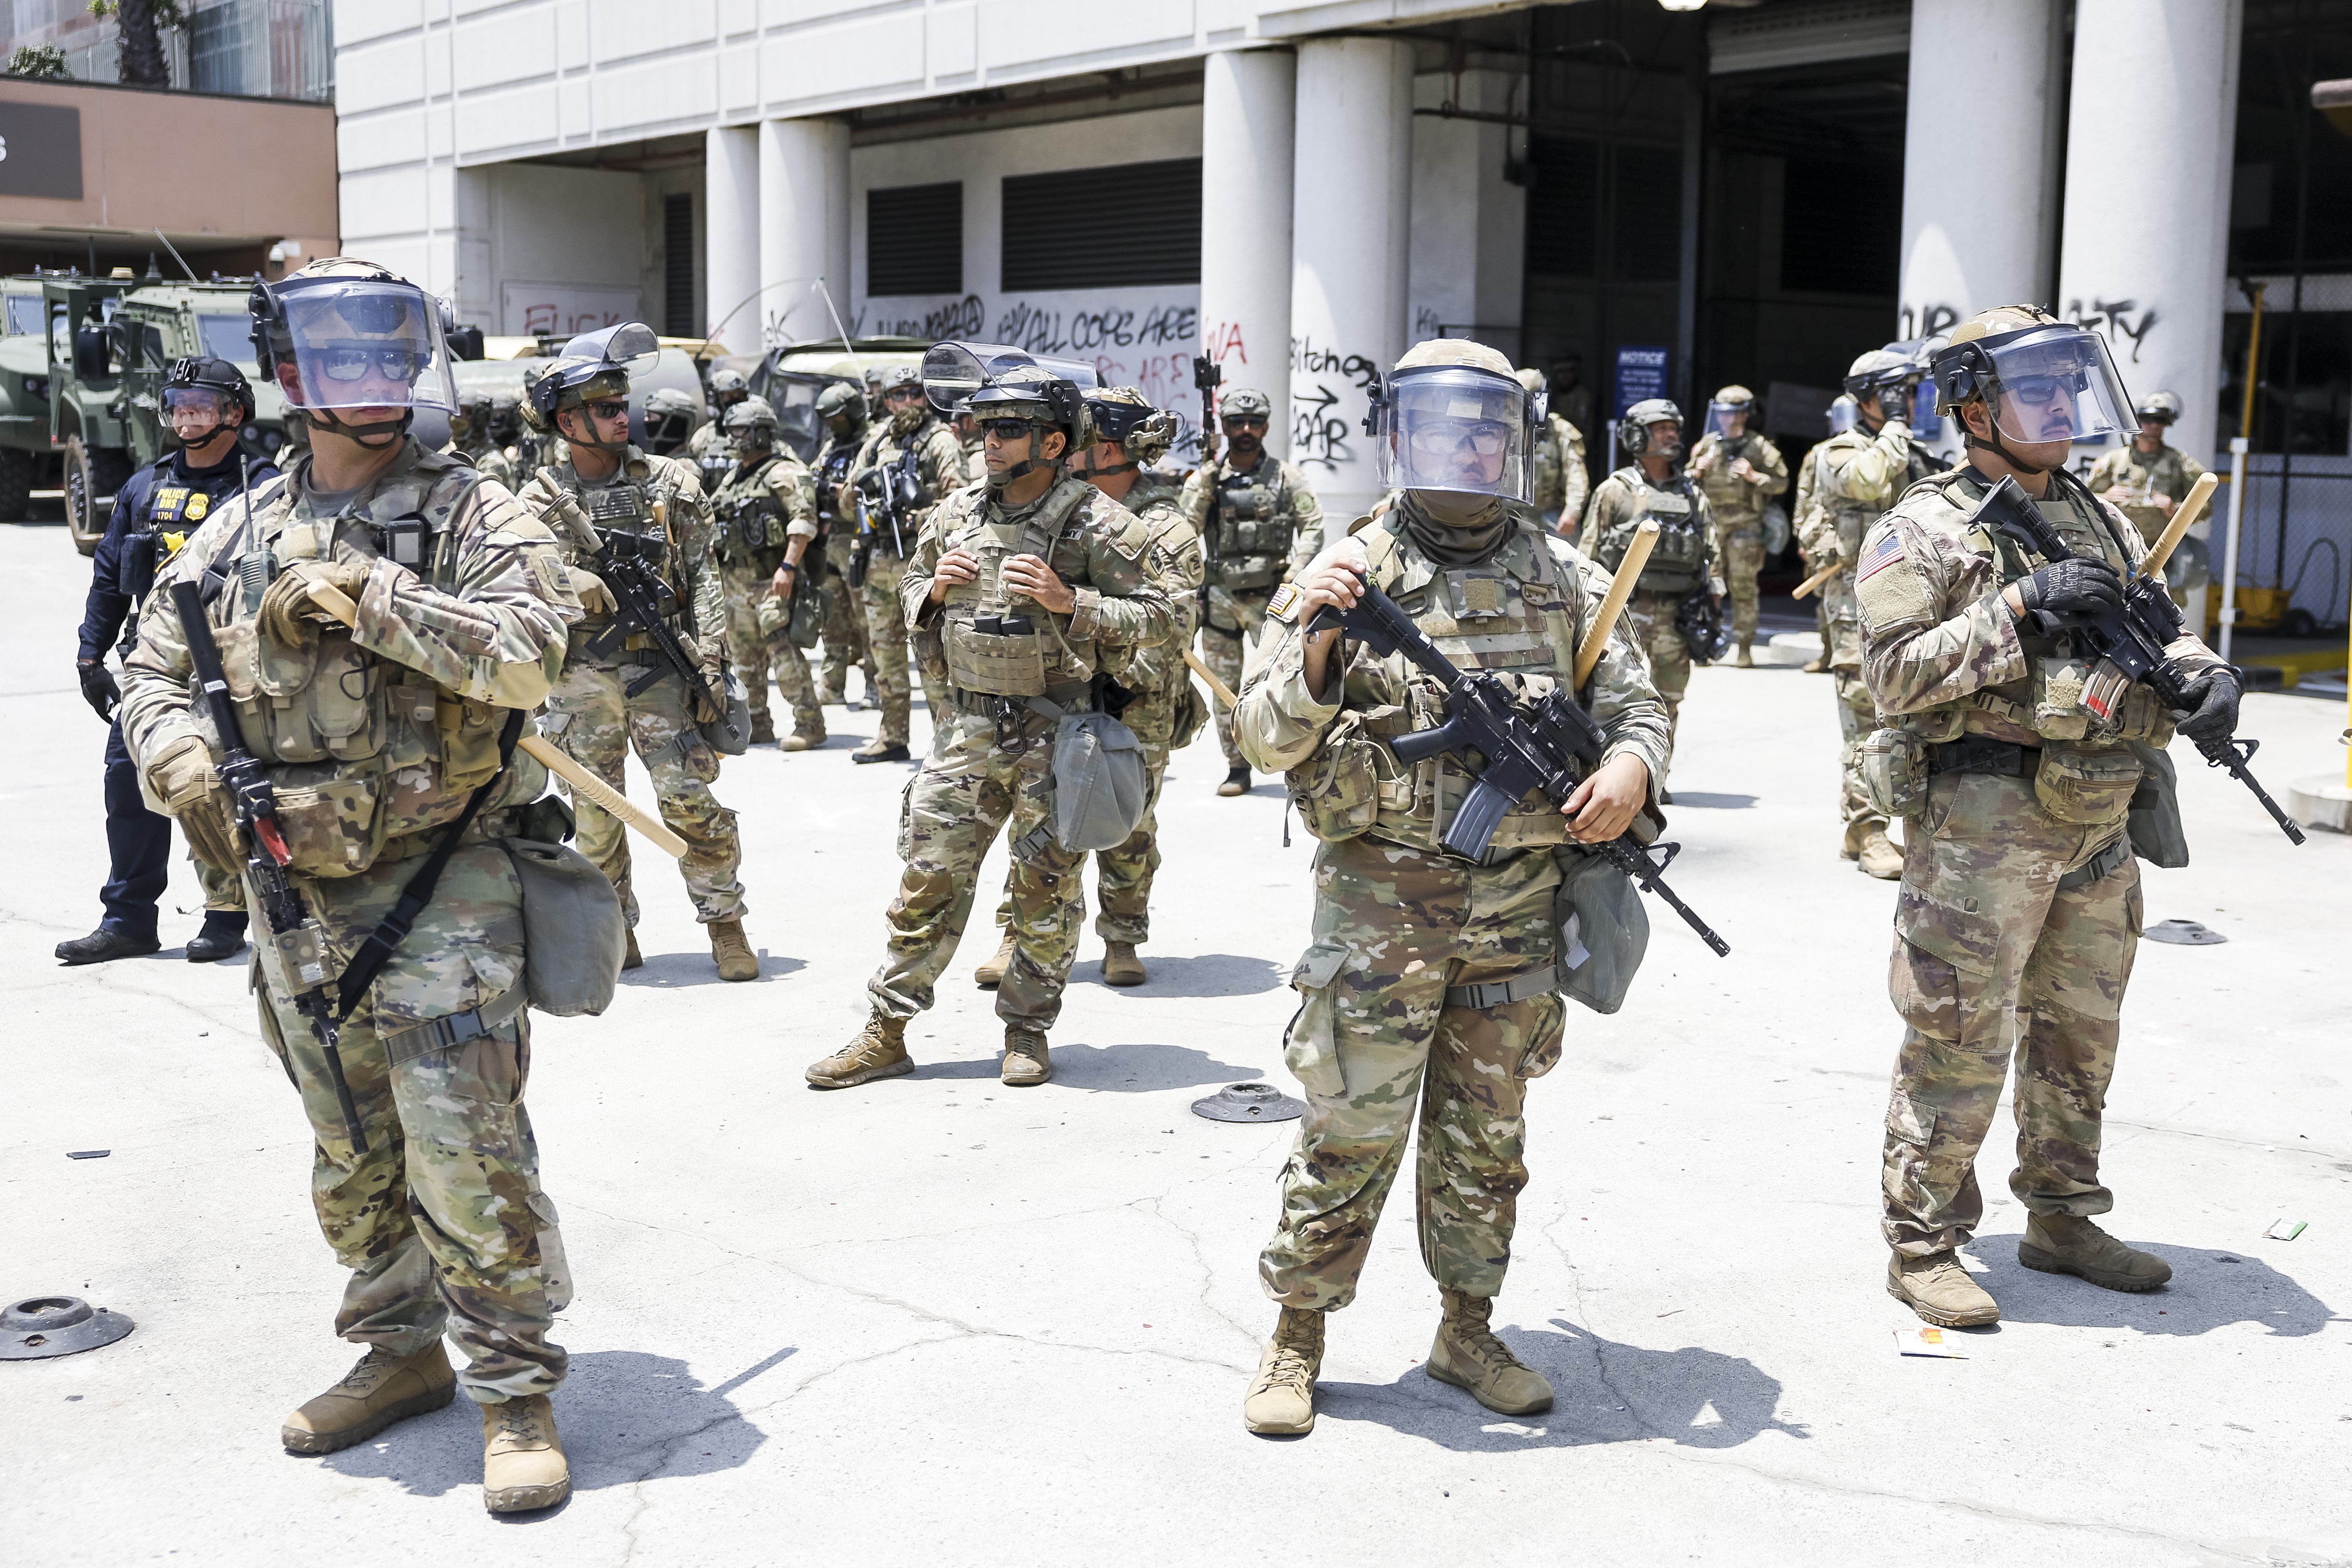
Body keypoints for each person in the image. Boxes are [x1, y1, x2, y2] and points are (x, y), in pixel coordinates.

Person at [119, 257, 583, 1513]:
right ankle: (397, 1355)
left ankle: (516, 1386)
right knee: (351, 1147)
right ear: (286, 373)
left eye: (392, 356)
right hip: (292, 892)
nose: (373, 385)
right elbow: (148, 661)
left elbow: (532, 653)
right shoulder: (237, 523)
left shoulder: (473, 509)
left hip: (439, 884)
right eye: (342, 360)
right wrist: (181, 766)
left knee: (461, 1140)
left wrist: (379, 595)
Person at [1230, 339, 1669, 1436]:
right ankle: (1298, 1335)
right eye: (1443, 427)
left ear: (1511, 443)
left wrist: (1630, 767)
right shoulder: (1350, 563)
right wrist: (1325, 643)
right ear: (1403, 437)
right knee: (1350, 1126)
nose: (1466, 446)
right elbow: (1265, 733)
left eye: (1486, 428)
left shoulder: (1557, 569)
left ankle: (1465, 1330)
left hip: (1519, 907)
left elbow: (1634, 701)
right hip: (1383, 905)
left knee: (1488, 1135)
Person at [1863, 304, 2238, 1329]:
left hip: (2098, 820)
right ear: (1974, 407)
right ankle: (1922, 1241)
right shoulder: (1923, 529)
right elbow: (1892, 676)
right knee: (1958, 1035)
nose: (2064, 406)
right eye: (2039, 389)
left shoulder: (2101, 515)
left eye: (2069, 385)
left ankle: (2062, 1216)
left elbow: (2158, 627)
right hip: (1985, 824)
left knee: (2081, 1035)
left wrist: (2206, 676)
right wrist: (2017, 611)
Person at [806, 355, 1175, 1091]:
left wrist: (1075, 604)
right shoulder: (955, 514)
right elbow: (911, 586)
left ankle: (1028, 1032)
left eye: (1009, 428)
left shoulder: (1098, 523)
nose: (989, 441)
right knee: (927, 880)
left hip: (1057, 733)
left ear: (1052, 441)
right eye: (984, 427)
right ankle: (888, 1030)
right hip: (967, 730)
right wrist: (934, 592)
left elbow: (1169, 617)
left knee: (1046, 892)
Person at [518, 323, 758, 981]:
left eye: (622, 405)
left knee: (689, 799)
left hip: (662, 670)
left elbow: (706, 572)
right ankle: (616, 926)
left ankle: (725, 922)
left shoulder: (671, 481)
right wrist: (574, 583)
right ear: (567, 421)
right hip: (580, 678)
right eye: (604, 408)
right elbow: (511, 582)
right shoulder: (536, 500)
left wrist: (710, 655)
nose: (622, 416)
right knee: (597, 813)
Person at [970, 386, 1203, 991]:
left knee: (1128, 817)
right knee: (1038, 817)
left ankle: (1122, 936)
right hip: (1059, 688)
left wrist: (1082, 613)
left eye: (1087, 446)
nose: (1072, 455)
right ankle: (1017, 931)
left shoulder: (1162, 524)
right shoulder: (1060, 508)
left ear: (1115, 452)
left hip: (1138, 695)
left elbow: (1170, 622)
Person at [60, 354, 271, 966]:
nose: (186, 418)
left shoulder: (261, 489)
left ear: (236, 412)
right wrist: (89, 655)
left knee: (220, 789)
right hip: (150, 667)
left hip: (230, 668)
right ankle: (127, 919)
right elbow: (107, 579)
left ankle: (228, 914)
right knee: (128, 785)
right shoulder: (143, 487)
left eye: (200, 406)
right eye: (178, 406)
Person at [1814, 346, 1946, 879]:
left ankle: (1871, 824)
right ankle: (1868, 831)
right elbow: (1866, 481)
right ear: (1868, 397)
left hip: (1912, 606)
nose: (1911, 403)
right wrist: (1894, 424)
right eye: (1899, 394)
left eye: (1912, 394)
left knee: (1912, 722)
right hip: (1856, 611)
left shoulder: (1910, 453)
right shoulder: (1840, 450)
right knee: (1864, 723)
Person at [1177, 386, 1325, 797]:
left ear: (1266, 426)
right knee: (1225, 689)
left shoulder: (1286, 476)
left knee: (1283, 683)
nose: (1246, 430)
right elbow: (1183, 529)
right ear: (1224, 428)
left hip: (1271, 601)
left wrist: (1294, 577)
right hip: (1222, 600)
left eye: (1254, 422)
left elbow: (1313, 526)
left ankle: (1292, 757)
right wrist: (1206, 475)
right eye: (1237, 423)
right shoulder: (1209, 478)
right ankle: (1237, 766)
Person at [1576, 397, 1722, 796]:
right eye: (1662, 429)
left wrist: (1714, 602)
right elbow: (1587, 557)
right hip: (1626, 616)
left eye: (1674, 428)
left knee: (1668, 703)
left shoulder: (1693, 494)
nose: (1672, 435)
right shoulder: (1615, 491)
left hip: (1677, 616)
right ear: (1639, 436)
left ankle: (1654, 780)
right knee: (1611, 700)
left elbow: (1712, 552)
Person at [839, 364, 965, 763]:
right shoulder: (876, 441)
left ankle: (945, 742)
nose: (908, 401)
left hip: (924, 562)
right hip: (879, 561)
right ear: (887, 400)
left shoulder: (940, 439)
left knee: (932, 654)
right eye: (900, 394)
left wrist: (917, 514)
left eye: (915, 393)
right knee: (883, 651)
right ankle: (892, 735)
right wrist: (868, 493)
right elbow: (846, 499)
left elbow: (959, 499)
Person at [708, 396, 825, 750]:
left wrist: (788, 566)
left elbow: (804, 521)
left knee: (782, 651)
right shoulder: (735, 476)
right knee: (744, 657)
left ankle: (810, 722)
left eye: (740, 431)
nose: (733, 438)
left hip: (772, 578)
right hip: (737, 581)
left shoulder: (784, 471)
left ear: (760, 433)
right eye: (730, 431)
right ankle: (757, 722)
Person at [1688, 385, 1789, 667]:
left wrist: (1755, 476)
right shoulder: (1708, 444)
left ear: (1744, 415)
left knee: (1743, 587)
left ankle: (1744, 646)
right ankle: (1707, 644)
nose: (1725, 419)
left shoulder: (1759, 447)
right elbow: (1685, 482)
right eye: (1721, 413)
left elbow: (1782, 482)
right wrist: (1697, 470)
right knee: (1710, 587)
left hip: (1745, 528)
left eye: (1731, 413)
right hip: (1711, 527)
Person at [2087, 390, 2207, 608]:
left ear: (2167, 423)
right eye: (2147, 419)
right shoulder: (2113, 460)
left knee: (2167, 609)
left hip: (2163, 553)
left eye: (2160, 420)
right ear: (2137, 421)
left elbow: (2206, 507)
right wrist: (2104, 497)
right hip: (2118, 550)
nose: (2153, 425)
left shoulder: (2180, 462)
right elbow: (2080, 500)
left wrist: (2176, 509)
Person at [808, 381, 878, 709]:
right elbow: (813, 479)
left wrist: (838, 491)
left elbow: (862, 488)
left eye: (837, 417)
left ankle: (876, 685)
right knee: (832, 618)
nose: (833, 424)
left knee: (867, 620)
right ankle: (832, 684)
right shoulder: (832, 447)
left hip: (858, 540)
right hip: (831, 541)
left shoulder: (873, 443)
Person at [1518, 366, 1589, 534]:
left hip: (1549, 517)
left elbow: (1576, 477)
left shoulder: (1560, 431)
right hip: (1506, 516)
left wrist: (1572, 512)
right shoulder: (1500, 429)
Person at [448, 387, 515, 490]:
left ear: (480, 418)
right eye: (456, 411)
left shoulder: (493, 463)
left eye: (466, 413)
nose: (457, 418)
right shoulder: (449, 450)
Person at [641, 385, 702, 458]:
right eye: (647, 414)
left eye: (653, 416)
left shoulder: (683, 467)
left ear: (676, 422)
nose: (647, 420)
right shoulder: (660, 460)